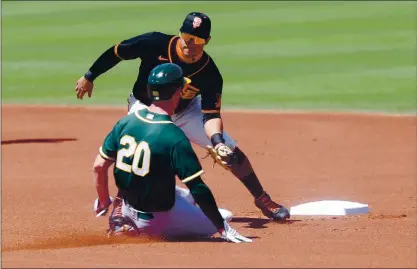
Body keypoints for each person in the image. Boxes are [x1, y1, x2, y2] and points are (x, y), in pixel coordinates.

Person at [75, 12, 290, 231]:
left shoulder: (209, 72)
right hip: (146, 106)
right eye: (187, 36)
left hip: (185, 110)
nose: (191, 43)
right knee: (139, 151)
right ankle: (120, 205)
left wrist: (218, 142)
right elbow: (117, 52)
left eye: (197, 39)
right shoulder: (154, 43)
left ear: (207, 41)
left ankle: (262, 198)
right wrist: (90, 76)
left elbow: (211, 114)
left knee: (232, 153)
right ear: (180, 33)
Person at [92, 63, 251, 243]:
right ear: (177, 93)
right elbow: (198, 187)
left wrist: (104, 201)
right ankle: (140, 229)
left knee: (180, 193)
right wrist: (222, 227)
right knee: (224, 216)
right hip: (157, 219)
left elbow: (99, 166)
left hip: (128, 204)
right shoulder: (174, 136)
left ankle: (122, 217)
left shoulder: (126, 122)